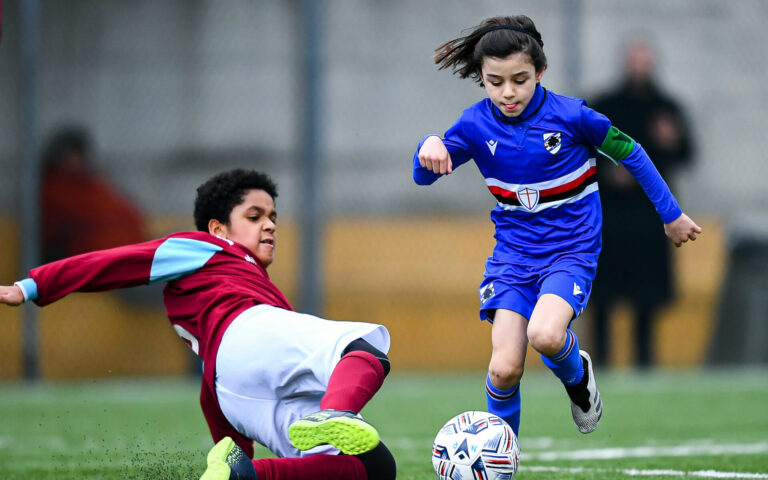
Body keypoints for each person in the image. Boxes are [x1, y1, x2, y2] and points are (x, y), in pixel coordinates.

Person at [0, 169, 396, 480]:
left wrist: (229, 446)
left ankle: (249, 476)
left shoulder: (256, 291)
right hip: (244, 337)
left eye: (273, 217)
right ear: (218, 229)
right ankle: (337, 412)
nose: (270, 225)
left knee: (375, 466)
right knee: (363, 346)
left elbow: (217, 378)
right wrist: (34, 285)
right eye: (255, 216)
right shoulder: (208, 249)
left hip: (231, 388)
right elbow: (119, 261)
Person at [412, 15, 701, 441]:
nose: (507, 92)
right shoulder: (474, 125)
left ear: (540, 72)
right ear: (481, 78)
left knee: (545, 335)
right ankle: (502, 461)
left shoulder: (574, 117)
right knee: (504, 367)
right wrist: (428, 146)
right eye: (495, 82)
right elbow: (425, 176)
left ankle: (578, 379)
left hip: (571, 251)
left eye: (520, 79)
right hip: (512, 258)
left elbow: (633, 152)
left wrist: (671, 214)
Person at [589, 39, 695, 368]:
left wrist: (672, 140)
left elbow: (686, 154)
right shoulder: (603, 105)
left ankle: (645, 363)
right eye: (634, 60)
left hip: (649, 218)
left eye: (644, 61)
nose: (639, 67)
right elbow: (582, 150)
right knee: (602, 296)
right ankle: (600, 365)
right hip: (608, 215)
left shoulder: (667, 108)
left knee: (646, 296)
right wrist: (608, 174)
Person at [40, 127, 147, 263]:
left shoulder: (91, 183)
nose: (74, 161)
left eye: (76, 156)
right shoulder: (55, 185)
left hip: (115, 254)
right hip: (97, 255)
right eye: (69, 156)